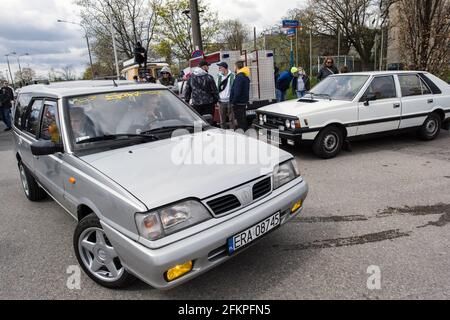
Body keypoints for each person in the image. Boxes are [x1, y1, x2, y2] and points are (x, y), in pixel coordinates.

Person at [229, 61, 250, 131]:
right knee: (243, 119)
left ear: (237, 67)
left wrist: (233, 102)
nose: (234, 68)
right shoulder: (245, 76)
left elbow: (237, 92)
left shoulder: (239, 77)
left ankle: (243, 135)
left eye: (234, 66)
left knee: (240, 121)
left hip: (238, 103)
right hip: (243, 102)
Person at [216, 62, 235, 129]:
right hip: (221, 101)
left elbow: (234, 88)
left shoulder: (232, 76)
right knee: (222, 120)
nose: (219, 69)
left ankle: (233, 133)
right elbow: (216, 88)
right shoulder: (219, 76)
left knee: (231, 119)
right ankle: (223, 133)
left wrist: (233, 99)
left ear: (224, 68)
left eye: (220, 67)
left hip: (230, 101)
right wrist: (217, 100)